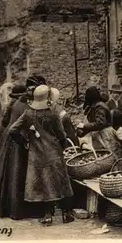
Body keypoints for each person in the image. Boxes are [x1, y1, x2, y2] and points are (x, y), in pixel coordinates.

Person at [9, 85, 75, 226]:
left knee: (44, 184)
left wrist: (24, 142)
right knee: (61, 182)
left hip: (36, 154)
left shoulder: (28, 114)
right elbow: (61, 134)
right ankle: (66, 214)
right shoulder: (52, 113)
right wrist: (62, 146)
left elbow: (12, 130)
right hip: (54, 152)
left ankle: (47, 216)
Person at [0, 76, 47, 220]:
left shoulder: (18, 102)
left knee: (10, 173)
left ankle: (6, 206)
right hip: (17, 140)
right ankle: (18, 209)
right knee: (17, 174)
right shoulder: (26, 104)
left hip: (10, 138)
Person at [76, 86, 122, 159]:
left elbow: (100, 123)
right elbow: (94, 124)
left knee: (111, 157)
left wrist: (84, 126)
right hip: (99, 135)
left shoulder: (100, 106)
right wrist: (82, 133)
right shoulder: (94, 105)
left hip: (106, 135)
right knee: (103, 157)